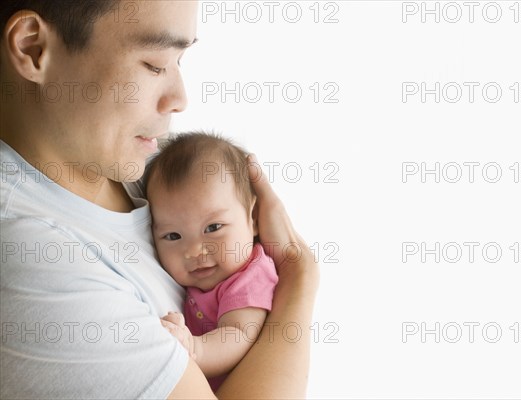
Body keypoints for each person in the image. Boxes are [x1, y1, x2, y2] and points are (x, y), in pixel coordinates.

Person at [0, 1, 319, 398]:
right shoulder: (33, 258)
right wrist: (299, 271)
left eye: (180, 62)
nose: (180, 98)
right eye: (154, 64)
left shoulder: (141, 169)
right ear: (34, 48)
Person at [145, 132, 279, 391]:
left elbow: (238, 334)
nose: (194, 250)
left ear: (253, 218)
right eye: (173, 236)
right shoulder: (201, 279)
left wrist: (192, 348)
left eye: (213, 227)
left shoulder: (252, 275)